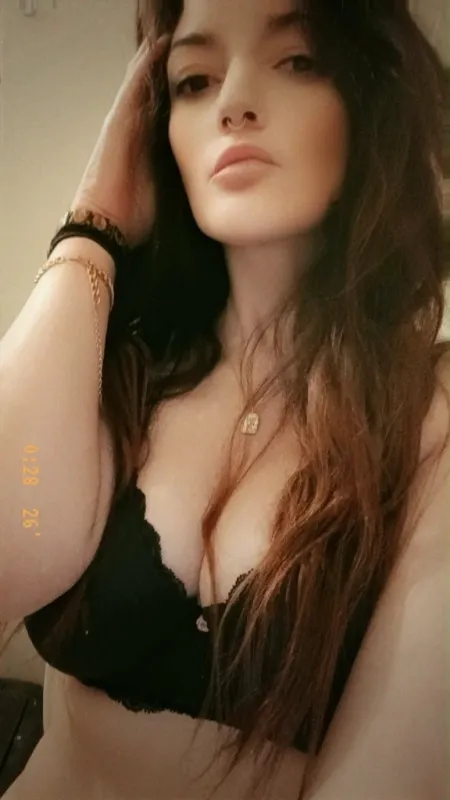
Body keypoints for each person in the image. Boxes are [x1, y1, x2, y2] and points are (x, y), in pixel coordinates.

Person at [0, 0, 449, 798]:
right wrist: (92, 224)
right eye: (194, 81)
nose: (234, 101)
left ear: (369, 100)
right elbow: (9, 547)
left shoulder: (429, 413)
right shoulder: (120, 362)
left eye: (298, 60)